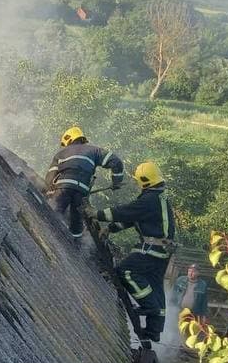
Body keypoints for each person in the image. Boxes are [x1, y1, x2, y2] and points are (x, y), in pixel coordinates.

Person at [87, 160, 174, 342]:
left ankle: (148, 307)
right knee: (156, 288)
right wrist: (111, 228)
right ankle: (153, 330)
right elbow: (134, 219)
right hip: (161, 250)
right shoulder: (158, 197)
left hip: (152, 250)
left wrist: (97, 214)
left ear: (144, 180)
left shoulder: (149, 199)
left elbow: (126, 212)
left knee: (125, 271)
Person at [44, 126, 125, 242]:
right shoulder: (94, 151)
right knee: (76, 220)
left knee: (53, 213)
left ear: (68, 140)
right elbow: (116, 162)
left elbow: (50, 177)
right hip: (81, 191)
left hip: (63, 188)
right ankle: (74, 244)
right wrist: (117, 182)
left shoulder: (61, 154)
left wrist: (49, 190)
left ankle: (47, 237)